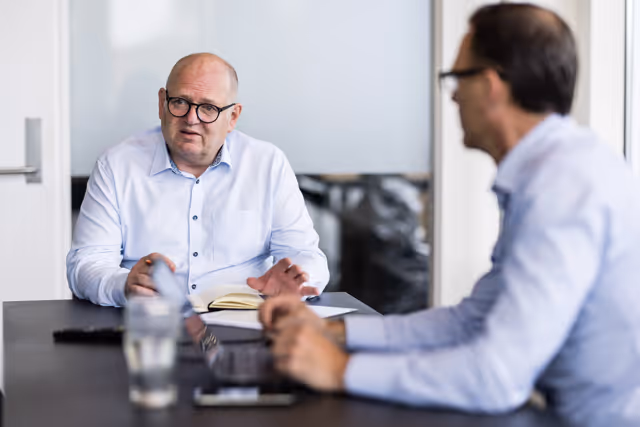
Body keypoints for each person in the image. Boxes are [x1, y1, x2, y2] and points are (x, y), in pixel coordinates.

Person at [258, 4, 640, 426]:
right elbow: (470, 320)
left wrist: (339, 369)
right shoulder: (551, 172)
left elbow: (496, 376)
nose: (453, 94)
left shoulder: (564, 186)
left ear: (491, 85)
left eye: (457, 78)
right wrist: (336, 332)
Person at [67, 53, 329, 307]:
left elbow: (306, 256)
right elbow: (86, 263)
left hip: (245, 323)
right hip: (152, 323)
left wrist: (295, 282)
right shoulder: (117, 166)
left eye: (208, 108)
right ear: (162, 103)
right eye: (180, 102)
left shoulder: (266, 164)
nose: (191, 119)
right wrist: (123, 285)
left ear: (233, 117)